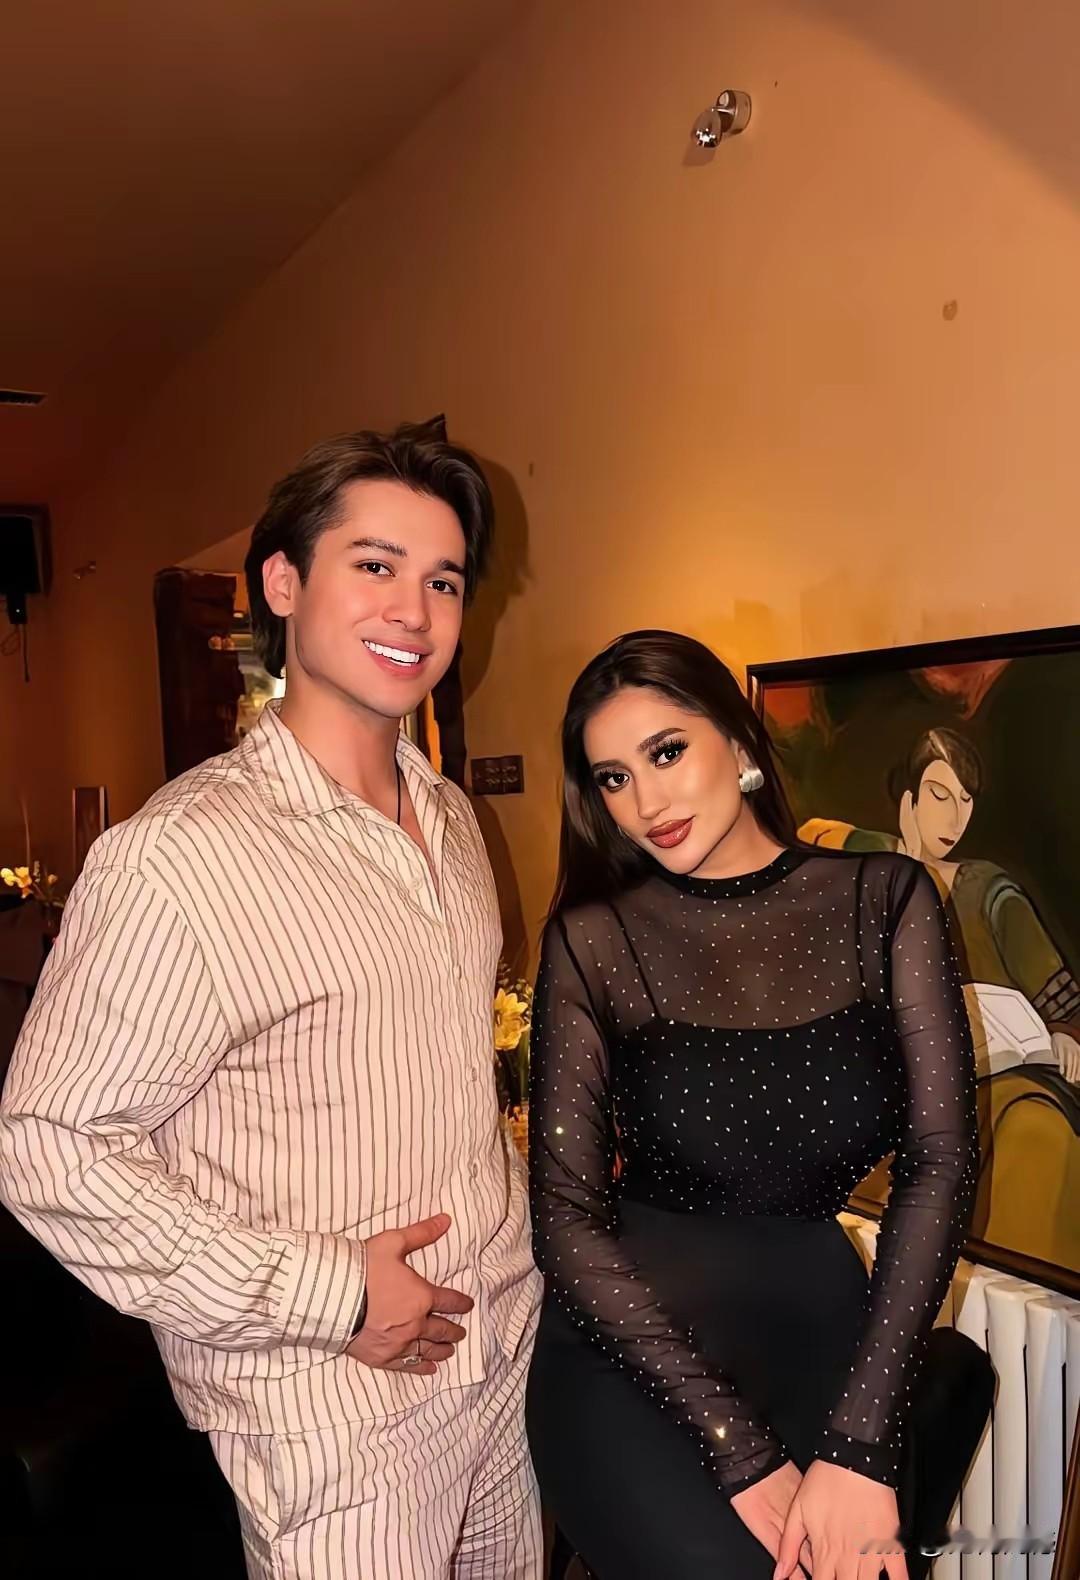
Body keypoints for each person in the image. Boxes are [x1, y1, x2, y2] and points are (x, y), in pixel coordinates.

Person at [0, 419, 543, 1580]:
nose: (414, 609)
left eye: (444, 579)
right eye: (375, 563)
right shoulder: (181, 857)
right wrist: (332, 1293)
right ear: (283, 583)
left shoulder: (453, 821)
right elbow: (47, 1148)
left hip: (501, 1357)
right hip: (336, 1412)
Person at [527, 631, 994, 1580]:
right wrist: (737, 1447)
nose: (645, 802)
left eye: (666, 752)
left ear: (739, 742)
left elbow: (941, 1159)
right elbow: (565, 1219)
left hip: (823, 1330)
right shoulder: (595, 940)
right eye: (613, 778)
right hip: (636, 1351)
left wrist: (861, 1443)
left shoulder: (885, 900)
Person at [802, 726, 1080, 1084]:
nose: (955, 819)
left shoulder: (986, 887)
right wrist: (908, 866)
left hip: (997, 1076)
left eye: (965, 800)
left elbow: (1057, 994)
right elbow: (809, 837)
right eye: (939, 795)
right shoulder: (874, 861)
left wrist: (1065, 1033)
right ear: (911, 800)